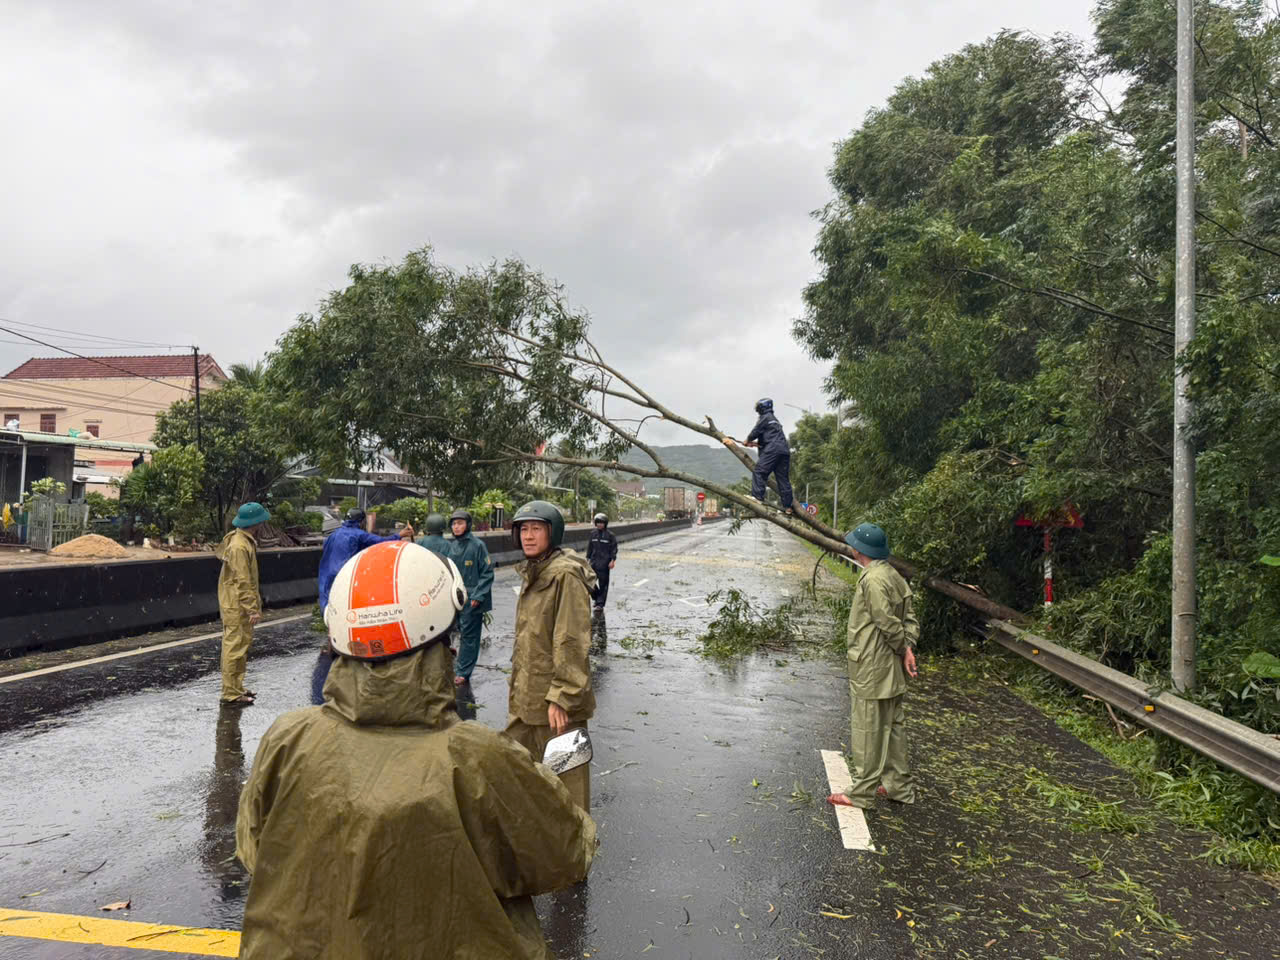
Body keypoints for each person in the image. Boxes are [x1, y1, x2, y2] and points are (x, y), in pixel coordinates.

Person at [236, 541, 596, 960]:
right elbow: (564, 855)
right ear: (443, 638)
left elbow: (253, 850)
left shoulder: (287, 738)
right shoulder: (477, 757)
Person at [506, 500, 596, 811]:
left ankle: (574, 851)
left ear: (552, 533)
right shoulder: (534, 572)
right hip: (527, 700)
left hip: (556, 705)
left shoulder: (564, 576)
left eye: (536, 529)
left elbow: (571, 640)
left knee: (567, 787)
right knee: (516, 776)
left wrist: (563, 696)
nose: (528, 536)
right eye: (524, 530)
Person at [827, 523, 919, 809]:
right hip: (892, 667)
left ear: (859, 550)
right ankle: (899, 787)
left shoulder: (872, 580)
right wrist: (908, 649)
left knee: (868, 728)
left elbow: (886, 623)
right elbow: (909, 619)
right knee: (893, 727)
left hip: (873, 666)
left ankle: (861, 793)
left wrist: (903, 648)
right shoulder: (894, 575)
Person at [216, 502, 270, 705]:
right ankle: (230, 693)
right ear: (256, 522)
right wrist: (252, 608)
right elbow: (242, 579)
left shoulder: (241, 539)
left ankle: (236, 687)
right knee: (234, 649)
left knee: (240, 646)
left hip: (236, 602)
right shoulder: (239, 545)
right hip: (237, 605)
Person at [317, 508, 414, 615]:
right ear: (361, 521)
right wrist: (400, 535)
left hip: (327, 577)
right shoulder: (358, 535)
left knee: (330, 609)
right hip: (344, 576)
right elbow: (381, 542)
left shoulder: (332, 535)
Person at [447, 508, 494, 688]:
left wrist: (479, 595)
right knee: (452, 631)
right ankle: (456, 666)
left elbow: (487, 573)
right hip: (455, 597)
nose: (456, 527)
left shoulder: (477, 546)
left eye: (460, 523)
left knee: (469, 636)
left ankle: (463, 672)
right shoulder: (453, 546)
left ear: (467, 525)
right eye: (454, 523)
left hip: (472, 599)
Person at [743, 397, 794, 514]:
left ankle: (757, 498)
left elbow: (756, 431)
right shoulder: (775, 420)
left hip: (773, 450)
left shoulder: (765, 418)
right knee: (783, 479)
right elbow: (771, 438)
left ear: (762, 408)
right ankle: (788, 507)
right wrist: (756, 444)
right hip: (783, 451)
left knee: (759, 471)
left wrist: (747, 440)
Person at [585, 513, 618, 612]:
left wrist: (612, 560)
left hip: (604, 563)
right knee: (589, 582)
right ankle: (597, 598)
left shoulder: (610, 536)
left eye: (601, 523)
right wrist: (587, 559)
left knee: (603, 585)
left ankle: (600, 604)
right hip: (594, 562)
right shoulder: (593, 534)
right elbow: (590, 547)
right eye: (598, 523)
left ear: (605, 524)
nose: (599, 525)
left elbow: (614, 549)